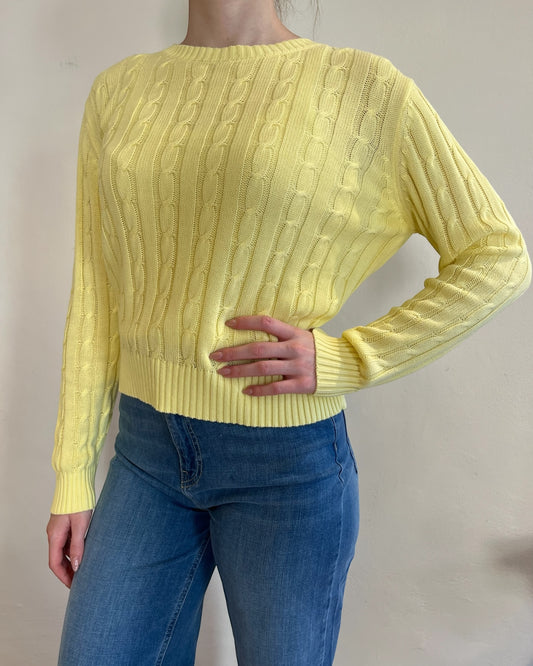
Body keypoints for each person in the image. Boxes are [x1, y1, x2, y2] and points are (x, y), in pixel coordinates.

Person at [46, 0, 531, 664]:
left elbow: (496, 254)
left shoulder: (365, 88)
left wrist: (350, 358)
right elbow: (97, 293)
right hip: (144, 453)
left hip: (284, 466)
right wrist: (72, 475)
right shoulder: (119, 89)